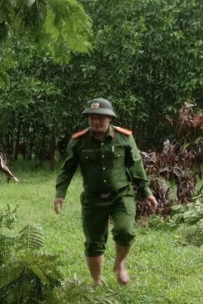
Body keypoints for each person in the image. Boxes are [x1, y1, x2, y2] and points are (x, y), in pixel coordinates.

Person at [53, 98, 158, 286]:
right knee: (94, 243)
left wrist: (146, 191)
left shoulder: (124, 138)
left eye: (100, 117)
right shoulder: (79, 141)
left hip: (121, 195)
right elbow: (67, 169)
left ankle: (119, 264)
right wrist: (60, 194)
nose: (96, 121)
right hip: (93, 198)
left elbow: (135, 165)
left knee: (125, 231)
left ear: (110, 118)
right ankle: (97, 281)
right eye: (92, 117)